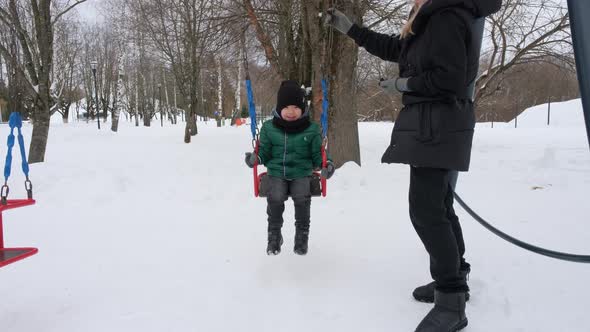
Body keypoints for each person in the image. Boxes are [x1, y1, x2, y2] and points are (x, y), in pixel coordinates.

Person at [326, 0, 502, 331]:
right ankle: (455, 275)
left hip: (440, 122)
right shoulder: (430, 16)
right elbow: (398, 48)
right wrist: (352, 30)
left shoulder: (447, 16)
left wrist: (403, 85)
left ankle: (452, 301)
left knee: (426, 210)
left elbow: (449, 78)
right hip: (430, 122)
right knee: (438, 206)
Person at [245, 80, 335, 256]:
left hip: (302, 173)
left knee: (302, 197)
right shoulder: (269, 128)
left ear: (303, 108)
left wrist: (327, 164)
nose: (291, 111)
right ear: (279, 108)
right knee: (276, 196)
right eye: (286, 107)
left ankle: (302, 236)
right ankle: (274, 235)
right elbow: (265, 152)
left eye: (295, 107)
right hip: (277, 172)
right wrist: (256, 158)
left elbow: (319, 155)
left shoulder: (312, 129)